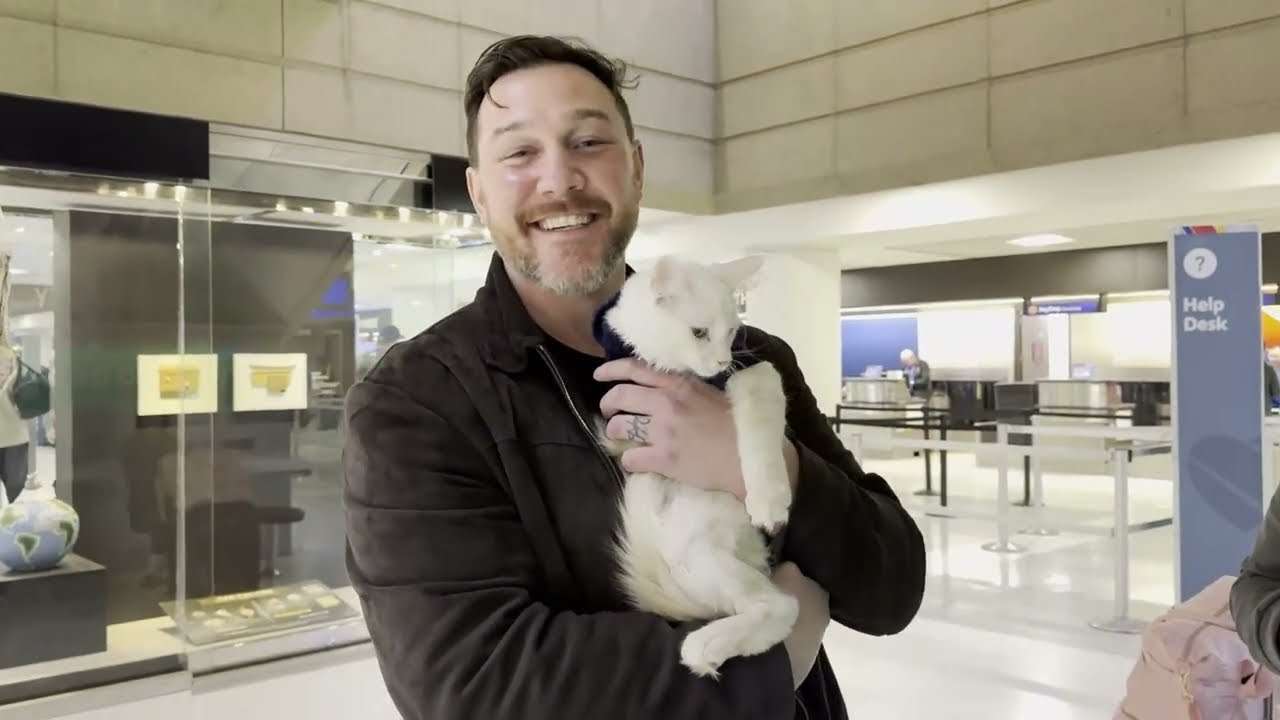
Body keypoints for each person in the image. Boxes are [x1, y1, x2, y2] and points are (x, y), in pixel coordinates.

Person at [343, 35, 925, 720]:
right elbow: (471, 682)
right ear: (478, 190)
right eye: (519, 152)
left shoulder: (749, 360)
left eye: (588, 142)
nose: (559, 180)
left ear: (637, 168)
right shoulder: (419, 402)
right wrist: (770, 665)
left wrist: (768, 469)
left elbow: (892, 587)